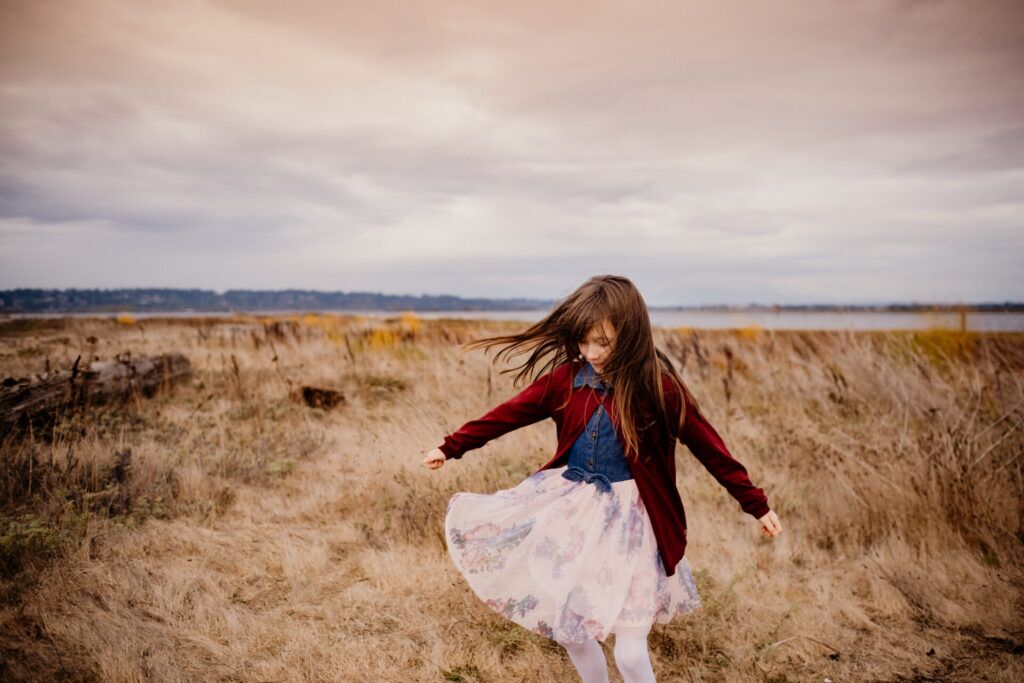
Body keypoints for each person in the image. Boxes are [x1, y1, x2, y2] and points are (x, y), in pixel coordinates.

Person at [421, 275, 782, 683]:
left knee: (629, 655)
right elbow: (507, 414)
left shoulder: (658, 388)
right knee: (572, 633)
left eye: (602, 343)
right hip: (575, 517)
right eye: (583, 341)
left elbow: (711, 448)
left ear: (629, 335)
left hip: (634, 527)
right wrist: (451, 446)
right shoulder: (566, 380)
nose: (590, 353)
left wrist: (755, 503)